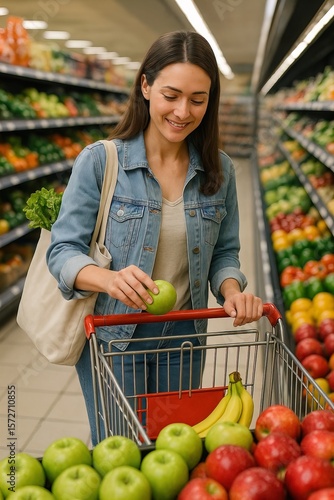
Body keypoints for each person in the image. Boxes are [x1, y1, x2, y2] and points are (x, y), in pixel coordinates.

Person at [47, 30, 263, 445]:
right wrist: (108, 279)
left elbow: (224, 253)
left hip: (186, 340)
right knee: (122, 452)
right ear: (145, 86)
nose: (183, 111)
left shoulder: (220, 171)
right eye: (171, 95)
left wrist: (233, 290)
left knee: (174, 454)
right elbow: (62, 251)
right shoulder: (101, 161)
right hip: (115, 340)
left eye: (197, 99)